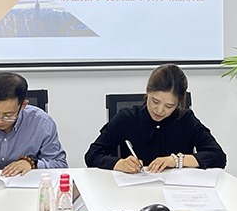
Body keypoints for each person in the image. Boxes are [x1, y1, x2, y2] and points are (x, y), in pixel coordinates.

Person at [84, 64, 226, 173]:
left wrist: (177, 160)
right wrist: (119, 164)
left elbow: (218, 157)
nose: (159, 110)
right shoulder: (126, 118)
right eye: (155, 101)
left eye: (169, 106)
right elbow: (92, 156)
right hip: (133, 193)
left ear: (179, 102)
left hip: (175, 192)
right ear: (147, 90)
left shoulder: (185, 119)